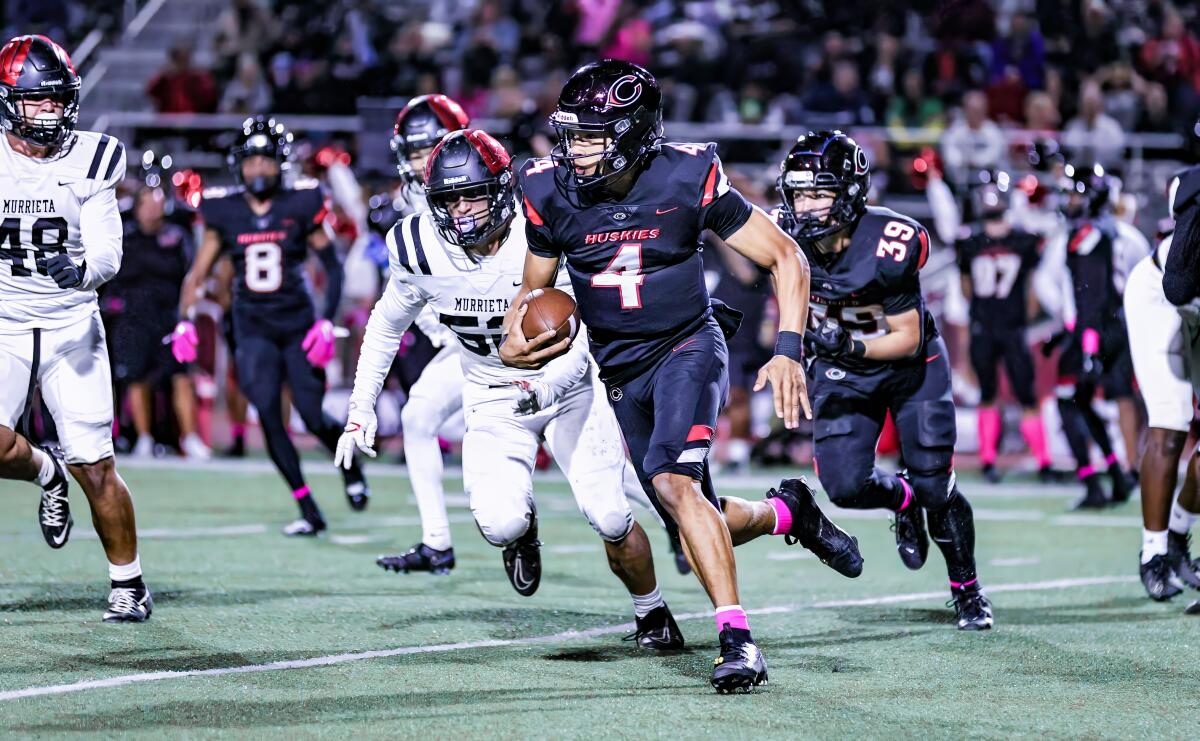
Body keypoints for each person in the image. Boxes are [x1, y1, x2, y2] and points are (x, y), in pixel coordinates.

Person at [504, 61, 862, 694]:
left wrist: (786, 347)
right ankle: (788, 513)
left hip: (687, 347)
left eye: (591, 135)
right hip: (618, 369)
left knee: (673, 482)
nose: (574, 149)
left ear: (634, 133)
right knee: (685, 511)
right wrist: (517, 344)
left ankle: (737, 640)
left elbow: (785, 255)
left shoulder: (686, 174)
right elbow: (532, 296)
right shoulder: (547, 189)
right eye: (572, 134)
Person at [336, 129, 686, 649]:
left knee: (611, 514)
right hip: (493, 394)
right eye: (449, 199)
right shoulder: (417, 247)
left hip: (569, 387)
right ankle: (521, 532)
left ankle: (651, 611)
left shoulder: (545, 227)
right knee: (500, 523)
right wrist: (360, 407)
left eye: (472, 194)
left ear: (501, 188)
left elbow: (592, 327)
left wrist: (550, 385)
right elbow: (387, 323)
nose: (462, 211)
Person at [776, 130, 992, 632]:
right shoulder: (785, 242)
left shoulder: (891, 243)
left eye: (819, 193)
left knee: (936, 485)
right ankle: (902, 499)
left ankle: (967, 589)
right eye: (799, 193)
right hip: (842, 368)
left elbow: (908, 339)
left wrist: (846, 345)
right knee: (844, 486)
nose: (805, 206)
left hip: (909, 368)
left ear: (850, 193)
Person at [0, 35, 151, 621]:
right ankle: (45, 469)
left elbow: (109, 250)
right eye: (38, 102)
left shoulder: (90, 157)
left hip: (69, 325)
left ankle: (128, 582)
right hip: (6, 322)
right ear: (10, 102)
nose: (52, 113)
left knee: (97, 464)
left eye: (59, 101)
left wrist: (84, 270)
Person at [171, 115, 369, 535]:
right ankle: (308, 508)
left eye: (266, 160)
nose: (258, 169)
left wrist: (324, 322)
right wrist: (185, 320)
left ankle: (351, 468)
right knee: (268, 415)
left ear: (280, 163)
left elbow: (332, 268)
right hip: (252, 327)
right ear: (238, 164)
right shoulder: (224, 210)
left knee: (313, 415)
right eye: (251, 161)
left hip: (297, 324)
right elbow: (197, 273)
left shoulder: (302, 201)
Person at [375, 94, 470, 573]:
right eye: (411, 151)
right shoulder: (408, 199)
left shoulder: (485, 187)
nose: (418, 161)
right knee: (418, 418)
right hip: (462, 346)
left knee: (597, 481)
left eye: (425, 149)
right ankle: (437, 542)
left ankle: (670, 516)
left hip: (512, 343)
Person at [1041, 164, 1146, 509]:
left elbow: (1090, 296)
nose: (1069, 201)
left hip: (1094, 330)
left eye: (1075, 194)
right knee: (1087, 400)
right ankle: (1118, 473)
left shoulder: (1085, 235)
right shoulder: (1123, 233)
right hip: (1116, 327)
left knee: (1068, 400)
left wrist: (1083, 338)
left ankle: (1092, 482)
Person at [1125, 165, 1200, 601]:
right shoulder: (1194, 192)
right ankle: (1152, 554)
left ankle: (1176, 535)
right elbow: (1177, 285)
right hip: (1163, 294)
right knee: (1170, 424)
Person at [953, 174, 1053, 482]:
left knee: (1001, 394)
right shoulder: (1022, 240)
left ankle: (996, 461)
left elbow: (967, 289)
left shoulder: (971, 243)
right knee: (1010, 394)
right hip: (1006, 326)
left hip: (990, 324)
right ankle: (1037, 462)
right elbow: (1032, 292)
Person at [106, 184, 210, 460]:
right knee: (136, 378)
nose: (153, 210)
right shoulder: (124, 236)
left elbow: (192, 277)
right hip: (133, 319)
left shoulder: (177, 237)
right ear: (138, 207)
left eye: (158, 204)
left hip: (170, 319)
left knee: (181, 376)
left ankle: (190, 438)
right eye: (147, 204)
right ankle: (144, 438)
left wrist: (186, 317)